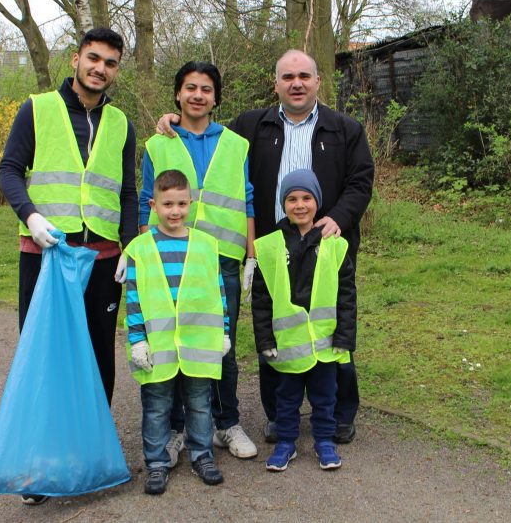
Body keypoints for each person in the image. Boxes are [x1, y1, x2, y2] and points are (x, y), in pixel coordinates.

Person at [156, 50, 374, 445]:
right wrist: (172, 120)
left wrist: (338, 218)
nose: (296, 83)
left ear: (318, 81)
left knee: (328, 323)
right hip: (272, 249)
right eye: (288, 76)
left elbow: (361, 181)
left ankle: (340, 413)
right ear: (275, 84)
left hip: (326, 243)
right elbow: (206, 132)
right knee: (278, 328)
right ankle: (279, 413)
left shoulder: (345, 129)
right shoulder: (251, 126)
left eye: (304, 76)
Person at [0, 27, 137, 506]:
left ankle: (90, 455)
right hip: (48, 253)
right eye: (93, 58)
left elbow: (126, 192)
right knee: (46, 356)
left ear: (117, 69)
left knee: (100, 355)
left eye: (111, 63)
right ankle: (39, 466)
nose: (100, 68)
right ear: (76, 58)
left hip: (103, 257)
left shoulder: (121, 122)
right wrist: (31, 216)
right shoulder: (36, 109)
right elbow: (8, 170)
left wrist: (131, 247)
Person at [140, 62, 258, 460]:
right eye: (190, 87)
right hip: (171, 259)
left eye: (206, 89)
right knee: (173, 343)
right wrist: (144, 257)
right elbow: (146, 200)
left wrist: (251, 254)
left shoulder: (237, 144)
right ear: (177, 94)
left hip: (222, 258)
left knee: (220, 345)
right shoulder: (158, 143)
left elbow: (248, 198)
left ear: (216, 97)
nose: (198, 95)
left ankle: (226, 423)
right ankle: (176, 430)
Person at [125, 169, 229, 495]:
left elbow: (218, 293)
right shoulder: (139, 249)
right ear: (154, 205)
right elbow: (133, 297)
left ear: (191, 202)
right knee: (156, 407)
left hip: (198, 345)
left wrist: (223, 332)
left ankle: (202, 455)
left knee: (199, 404)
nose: (175, 211)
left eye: (182, 204)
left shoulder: (206, 245)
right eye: (168, 204)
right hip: (158, 347)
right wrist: (137, 339)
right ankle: (156, 463)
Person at [252, 169, 356, 471]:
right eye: (292, 198)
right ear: (283, 204)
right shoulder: (270, 246)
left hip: (325, 344)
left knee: (325, 397)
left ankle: (324, 442)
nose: (300, 205)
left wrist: (344, 338)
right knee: (286, 399)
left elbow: (347, 296)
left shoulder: (335, 244)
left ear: (317, 202)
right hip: (288, 345)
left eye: (307, 198)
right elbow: (261, 299)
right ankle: (286, 443)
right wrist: (265, 341)